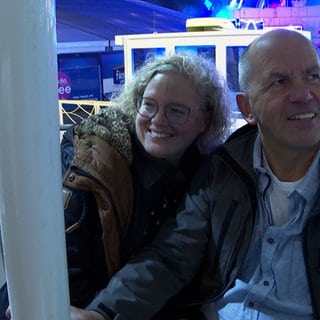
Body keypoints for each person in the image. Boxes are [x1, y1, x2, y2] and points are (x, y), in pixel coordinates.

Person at [63, 28, 320, 320]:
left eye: (314, 76)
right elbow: (171, 255)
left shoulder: (201, 166)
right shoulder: (222, 171)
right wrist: (103, 314)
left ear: (204, 120)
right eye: (280, 81)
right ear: (247, 108)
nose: (303, 93)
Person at [1, 53, 231, 319]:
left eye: (176, 110)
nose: (157, 119)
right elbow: (63, 266)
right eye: (149, 105)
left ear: (205, 120)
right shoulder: (94, 162)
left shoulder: (205, 172)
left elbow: (174, 260)